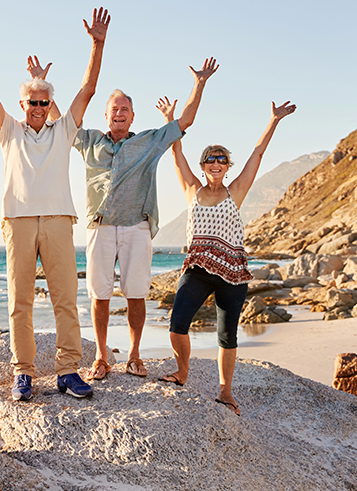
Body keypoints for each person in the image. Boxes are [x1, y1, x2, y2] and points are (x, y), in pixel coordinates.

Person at [32, 57, 219, 380]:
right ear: (106, 116)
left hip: (137, 226)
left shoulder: (147, 142)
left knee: (135, 294)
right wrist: (40, 85)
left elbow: (184, 121)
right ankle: (102, 358)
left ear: (132, 116)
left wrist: (199, 83)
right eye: (114, 110)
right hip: (100, 227)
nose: (119, 114)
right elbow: (62, 121)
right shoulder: (90, 140)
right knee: (99, 295)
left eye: (124, 110)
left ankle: (134, 356)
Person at [0, 7, 109, 401]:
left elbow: (88, 90)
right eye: (32, 103)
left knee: (65, 297)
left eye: (44, 103)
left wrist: (97, 44)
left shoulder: (64, 130)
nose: (38, 109)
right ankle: (23, 373)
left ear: (50, 106)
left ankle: (67, 371)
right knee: (20, 302)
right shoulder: (9, 130)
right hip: (19, 220)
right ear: (23, 104)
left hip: (59, 219)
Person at [157, 96, 297, 416]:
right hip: (197, 268)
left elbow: (258, 154)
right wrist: (170, 118)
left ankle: (225, 391)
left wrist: (274, 120)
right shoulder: (192, 189)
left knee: (226, 334)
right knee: (177, 323)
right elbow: (176, 152)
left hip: (232, 273)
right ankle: (181, 372)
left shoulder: (236, 191)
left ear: (227, 165)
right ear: (204, 165)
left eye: (221, 160)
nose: (216, 164)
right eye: (210, 160)